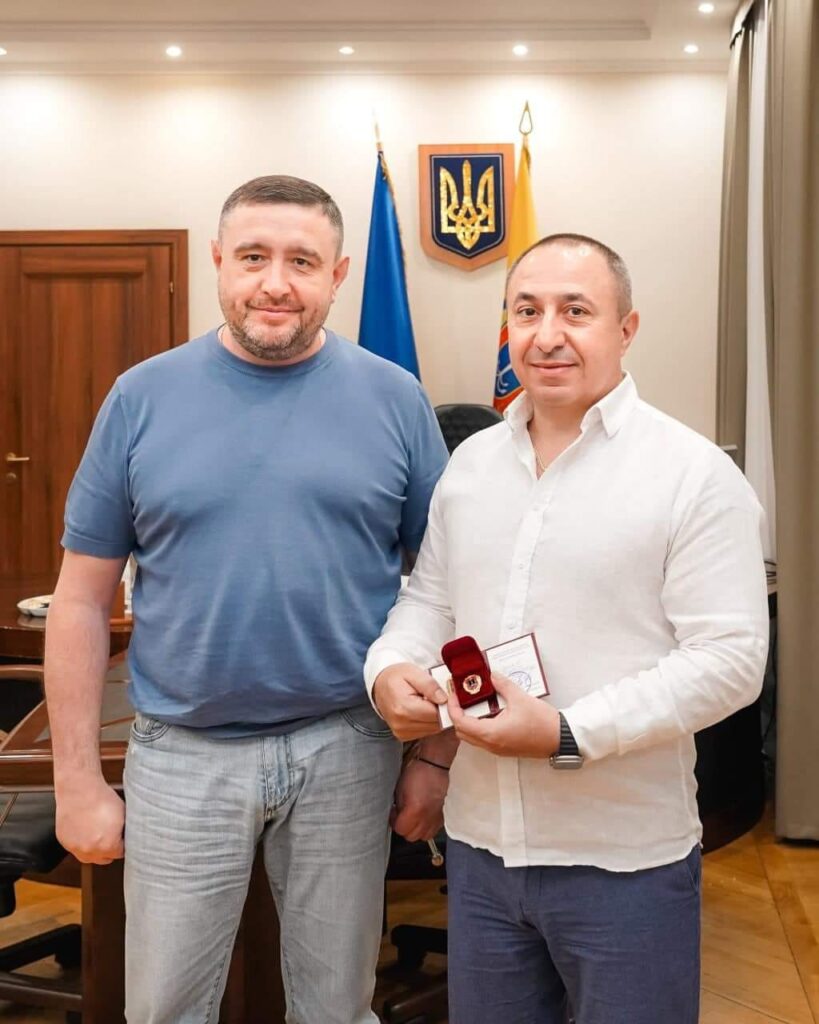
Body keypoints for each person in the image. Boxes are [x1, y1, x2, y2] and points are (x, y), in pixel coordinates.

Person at [44, 174, 448, 1024]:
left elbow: (448, 587)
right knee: (164, 1011)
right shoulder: (140, 397)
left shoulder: (395, 399)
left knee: (336, 1010)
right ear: (219, 262)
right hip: (181, 753)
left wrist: (436, 757)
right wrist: (76, 780)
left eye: (302, 261)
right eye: (254, 256)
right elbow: (79, 600)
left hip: (347, 746)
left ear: (338, 275)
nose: (275, 283)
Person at [365, 233, 769, 1024]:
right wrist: (387, 670)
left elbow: (729, 660)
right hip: (480, 852)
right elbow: (429, 601)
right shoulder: (470, 467)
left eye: (575, 311)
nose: (546, 334)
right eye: (526, 311)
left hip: (622, 862)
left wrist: (565, 732)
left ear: (626, 328)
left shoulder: (691, 475)